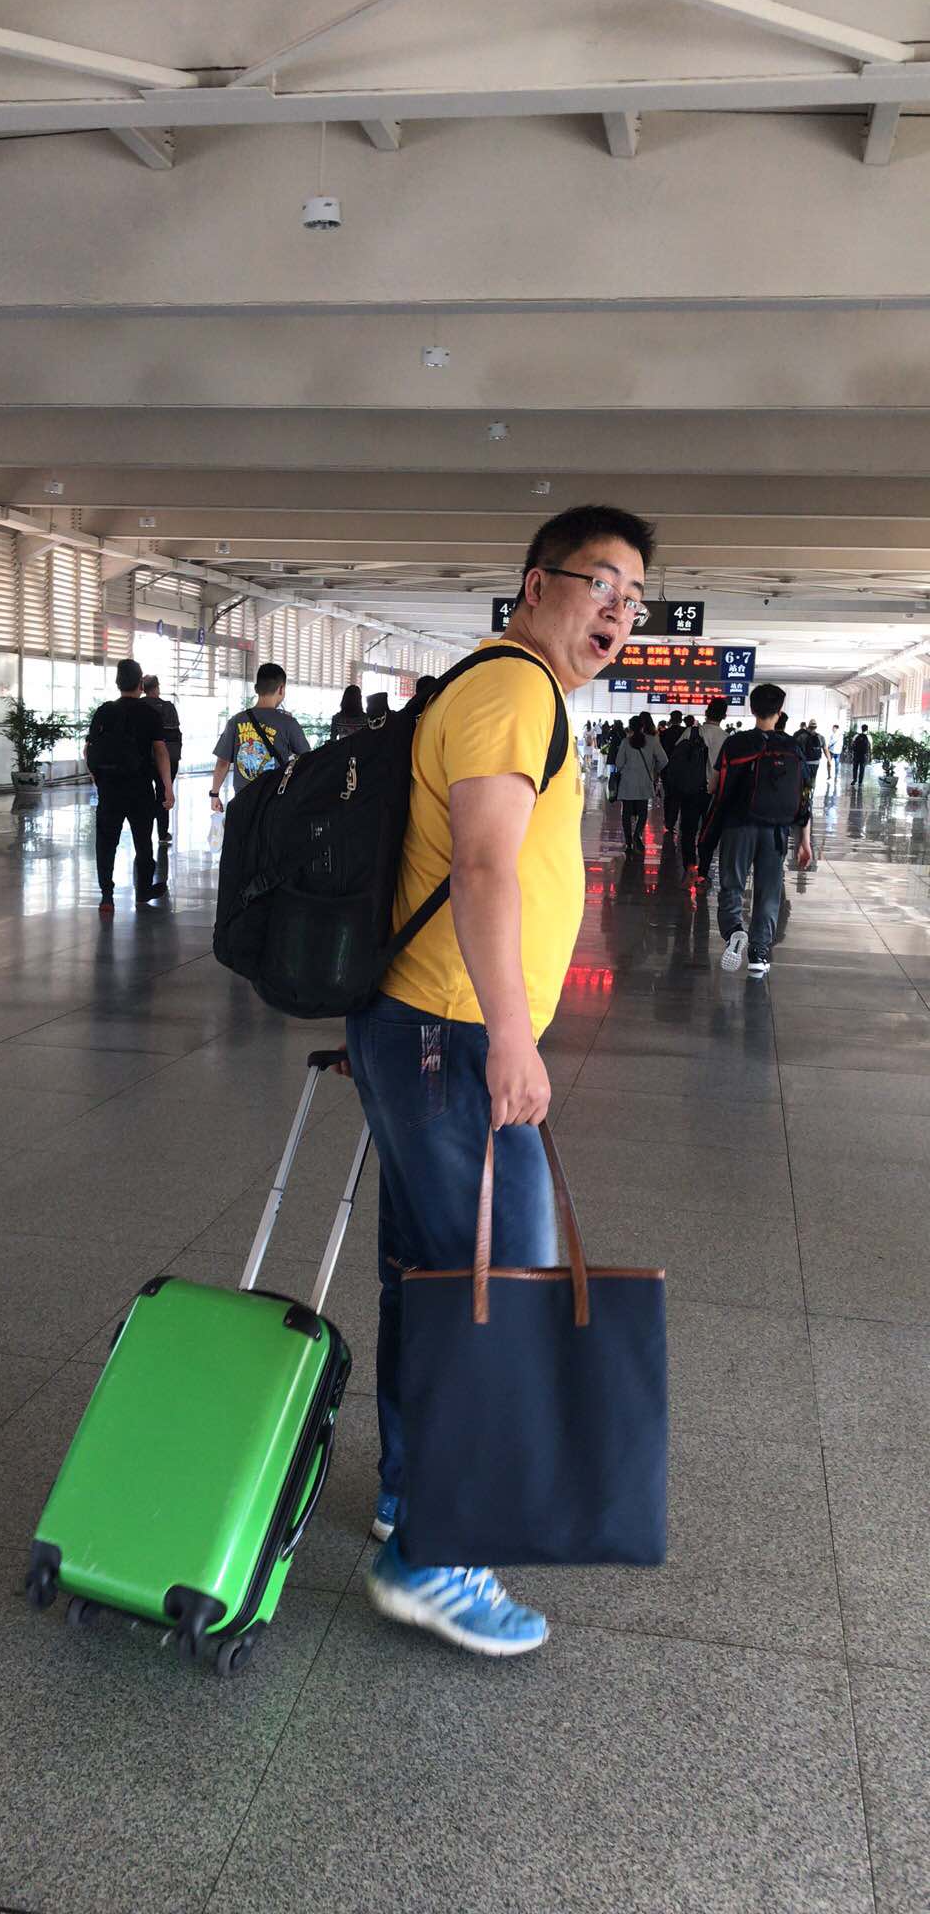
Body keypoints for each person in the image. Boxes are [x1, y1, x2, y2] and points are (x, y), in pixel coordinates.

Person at [343, 501, 656, 1657]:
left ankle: (412, 1496)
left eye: (636, 599)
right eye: (601, 585)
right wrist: (514, 1040)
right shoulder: (515, 688)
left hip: (428, 1025)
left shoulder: (504, 688)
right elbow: (481, 868)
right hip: (456, 1034)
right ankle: (436, 1557)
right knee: (497, 1285)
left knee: (431, 1276)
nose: (620, 613)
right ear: (536, 585)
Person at [697, 682, 813, 980]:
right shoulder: (792, 747)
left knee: (732, 885)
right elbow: (804, 795)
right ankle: (759, 954)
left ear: (752, 709)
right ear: (779, 712)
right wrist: (805, 841)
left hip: (738, 826)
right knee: (768, 891)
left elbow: (716, 786)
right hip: (775, 831)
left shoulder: (736, 743)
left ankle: (734, 931)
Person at [85, 659, 172, 918]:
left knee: (106, 842)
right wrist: (167, 787)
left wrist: (97, 779)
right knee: (143, 841)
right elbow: (161, 752)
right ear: (140, 684)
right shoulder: (150, 713)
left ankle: (107, 895)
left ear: (117, 683)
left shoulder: (104, 711)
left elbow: (88, 750)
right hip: (140, 787)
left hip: (109, 789)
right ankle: (143, 890)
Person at [210, 664, 310, 812]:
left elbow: (222, 762)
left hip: (243, 800)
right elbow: (307, 760)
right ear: (281, 689)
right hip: (275, 800)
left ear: (256, 689)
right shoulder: (288, 723)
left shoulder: (236, 721)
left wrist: (215, 794)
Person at [663, 716, 711, 877]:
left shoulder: (689, 733)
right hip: (712, 791)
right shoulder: (725, 737)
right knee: (708, 830)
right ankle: (704, 870)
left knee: (688, 830)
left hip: (689, 787)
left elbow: (676, 758)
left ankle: (690, 865)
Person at [615, 713, 666, 855]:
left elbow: (618, 763)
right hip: (644, 782)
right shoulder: (652, 741)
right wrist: (654, 771)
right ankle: (637, 834)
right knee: (642, 813)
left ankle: (628, 843)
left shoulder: (625, 742)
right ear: (643, 727)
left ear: (630, 727)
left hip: (627, 783)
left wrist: (625, 769)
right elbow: (664, 760)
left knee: (626, 814)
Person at [141, 675, 182, 844]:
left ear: (142, 688)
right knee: (163, 793)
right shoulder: (168, 707)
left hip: (143, 758)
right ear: (157, 687)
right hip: (168, 758)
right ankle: (163, 834)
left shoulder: (139, 706)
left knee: (144, 795)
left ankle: (144, 834)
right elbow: (175, 733)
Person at [660, 710, 685, 830]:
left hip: (666, 768)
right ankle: (673, 820)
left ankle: (667, 820)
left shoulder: (664, 733)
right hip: (681, 769)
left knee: (668, 795)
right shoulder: (685, 732)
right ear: (681, 719)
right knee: (677, 796)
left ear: (671, 719)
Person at [798, 718, 825, 798]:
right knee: (813, 778)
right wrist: (829, 759)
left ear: (808, 726)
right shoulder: (820, 737)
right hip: (816, 762)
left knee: (804, 778)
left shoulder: (802, 736)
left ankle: (804, 795)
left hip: (805, 762)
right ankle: (810, 795)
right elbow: (825, 748)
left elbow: (797, 748)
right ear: (816, 727)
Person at [851, 724, 872, 789]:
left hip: (856, 754)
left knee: (855, 767)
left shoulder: (856, 735)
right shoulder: (869, 736)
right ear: (867, 729)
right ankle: (860, 782)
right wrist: (870, 755)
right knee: (862, 768)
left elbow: (852, 744)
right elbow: (871, 746)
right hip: (864, 755)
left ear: (861, 728)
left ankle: (854, 780)